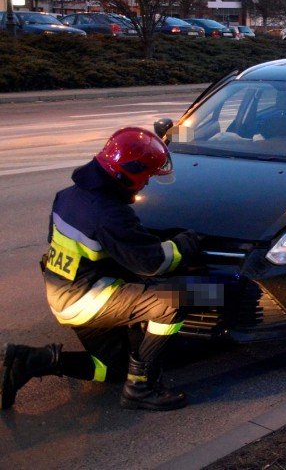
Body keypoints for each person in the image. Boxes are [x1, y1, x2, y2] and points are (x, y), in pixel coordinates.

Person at [1, 127, 202, 411]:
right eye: (146, 177)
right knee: (178, 299)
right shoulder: (108, 213)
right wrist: (186, 242)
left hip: (64, 295)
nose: (146, 184)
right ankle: (141, 387)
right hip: (87, 299)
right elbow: (154, 263)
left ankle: (29, 361)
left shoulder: (68, 196)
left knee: (112, 369)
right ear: (129, 173)